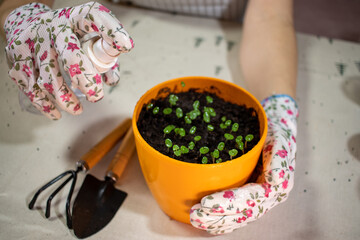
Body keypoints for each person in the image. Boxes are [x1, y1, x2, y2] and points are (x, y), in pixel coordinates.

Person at [0, 0, 298, 235]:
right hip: (117, 23)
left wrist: (279, 112)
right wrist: (19, 14)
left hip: (231, 31)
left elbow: (270, 15)